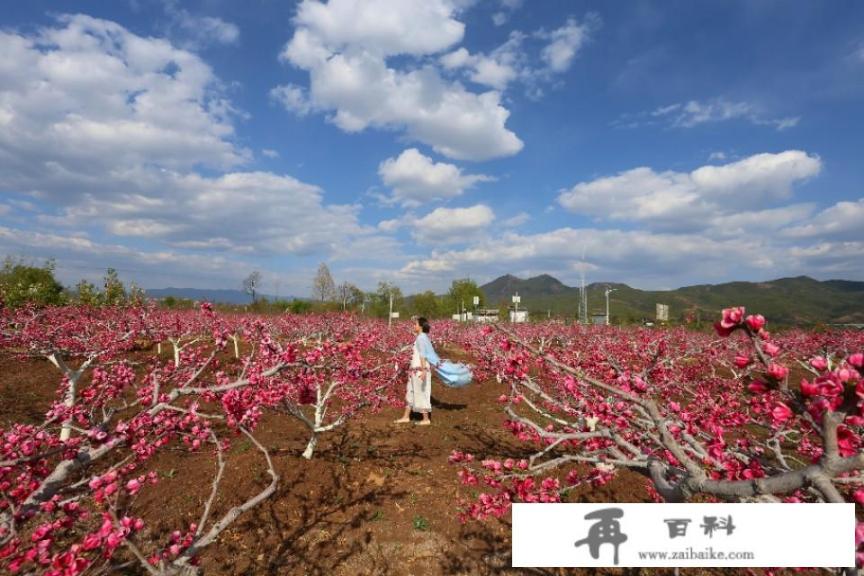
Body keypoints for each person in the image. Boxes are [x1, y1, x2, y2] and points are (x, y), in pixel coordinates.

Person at [394, 316, 439, 426]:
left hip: (419, 370)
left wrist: (423, 370)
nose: (414, 326)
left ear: (421, 326)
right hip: (415, 370)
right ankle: (406, 417)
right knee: (411, 392)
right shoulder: (421, 337)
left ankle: (426, 419)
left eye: (415, 324)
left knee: (421, 392)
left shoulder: (421, 338)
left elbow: (423, 355)